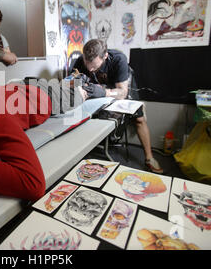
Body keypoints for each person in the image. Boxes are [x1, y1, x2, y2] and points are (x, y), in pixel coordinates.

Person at [70, 39, 163, 174]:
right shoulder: (80, 61)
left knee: (139, 118)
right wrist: (78, 89)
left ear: (105, 56)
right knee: (82, 112)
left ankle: (149, 158)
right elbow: (71, 84)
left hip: (119, 88)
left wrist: (103, 92)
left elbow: (122, 92)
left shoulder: (119, 59)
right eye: (87, 63)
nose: (90, 69)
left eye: (94, 66)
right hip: (98, 91)